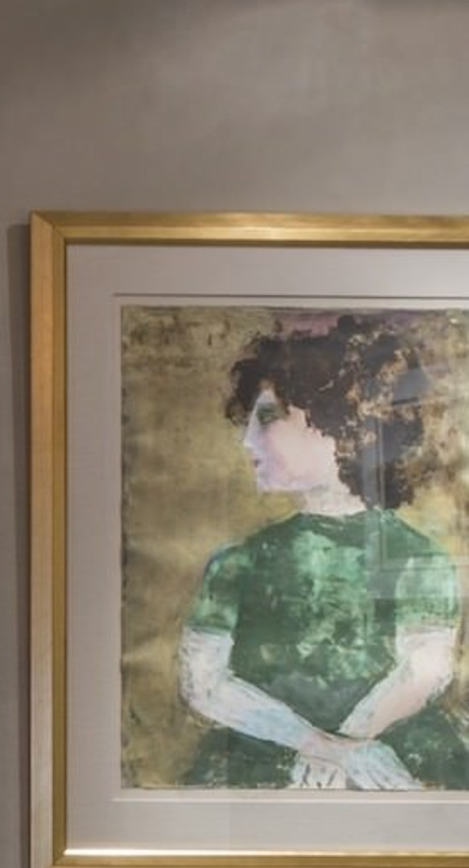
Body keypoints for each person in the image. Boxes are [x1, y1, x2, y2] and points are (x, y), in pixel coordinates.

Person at [176, 315, 469, 791]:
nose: (246, 438)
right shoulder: (237, 562)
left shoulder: (418, 559)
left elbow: (424, 671)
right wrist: (319, 745)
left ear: (338, 424)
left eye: (268, 417)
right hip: (261, 761)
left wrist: (352, 741)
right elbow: (204, 684)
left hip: (397, 759)